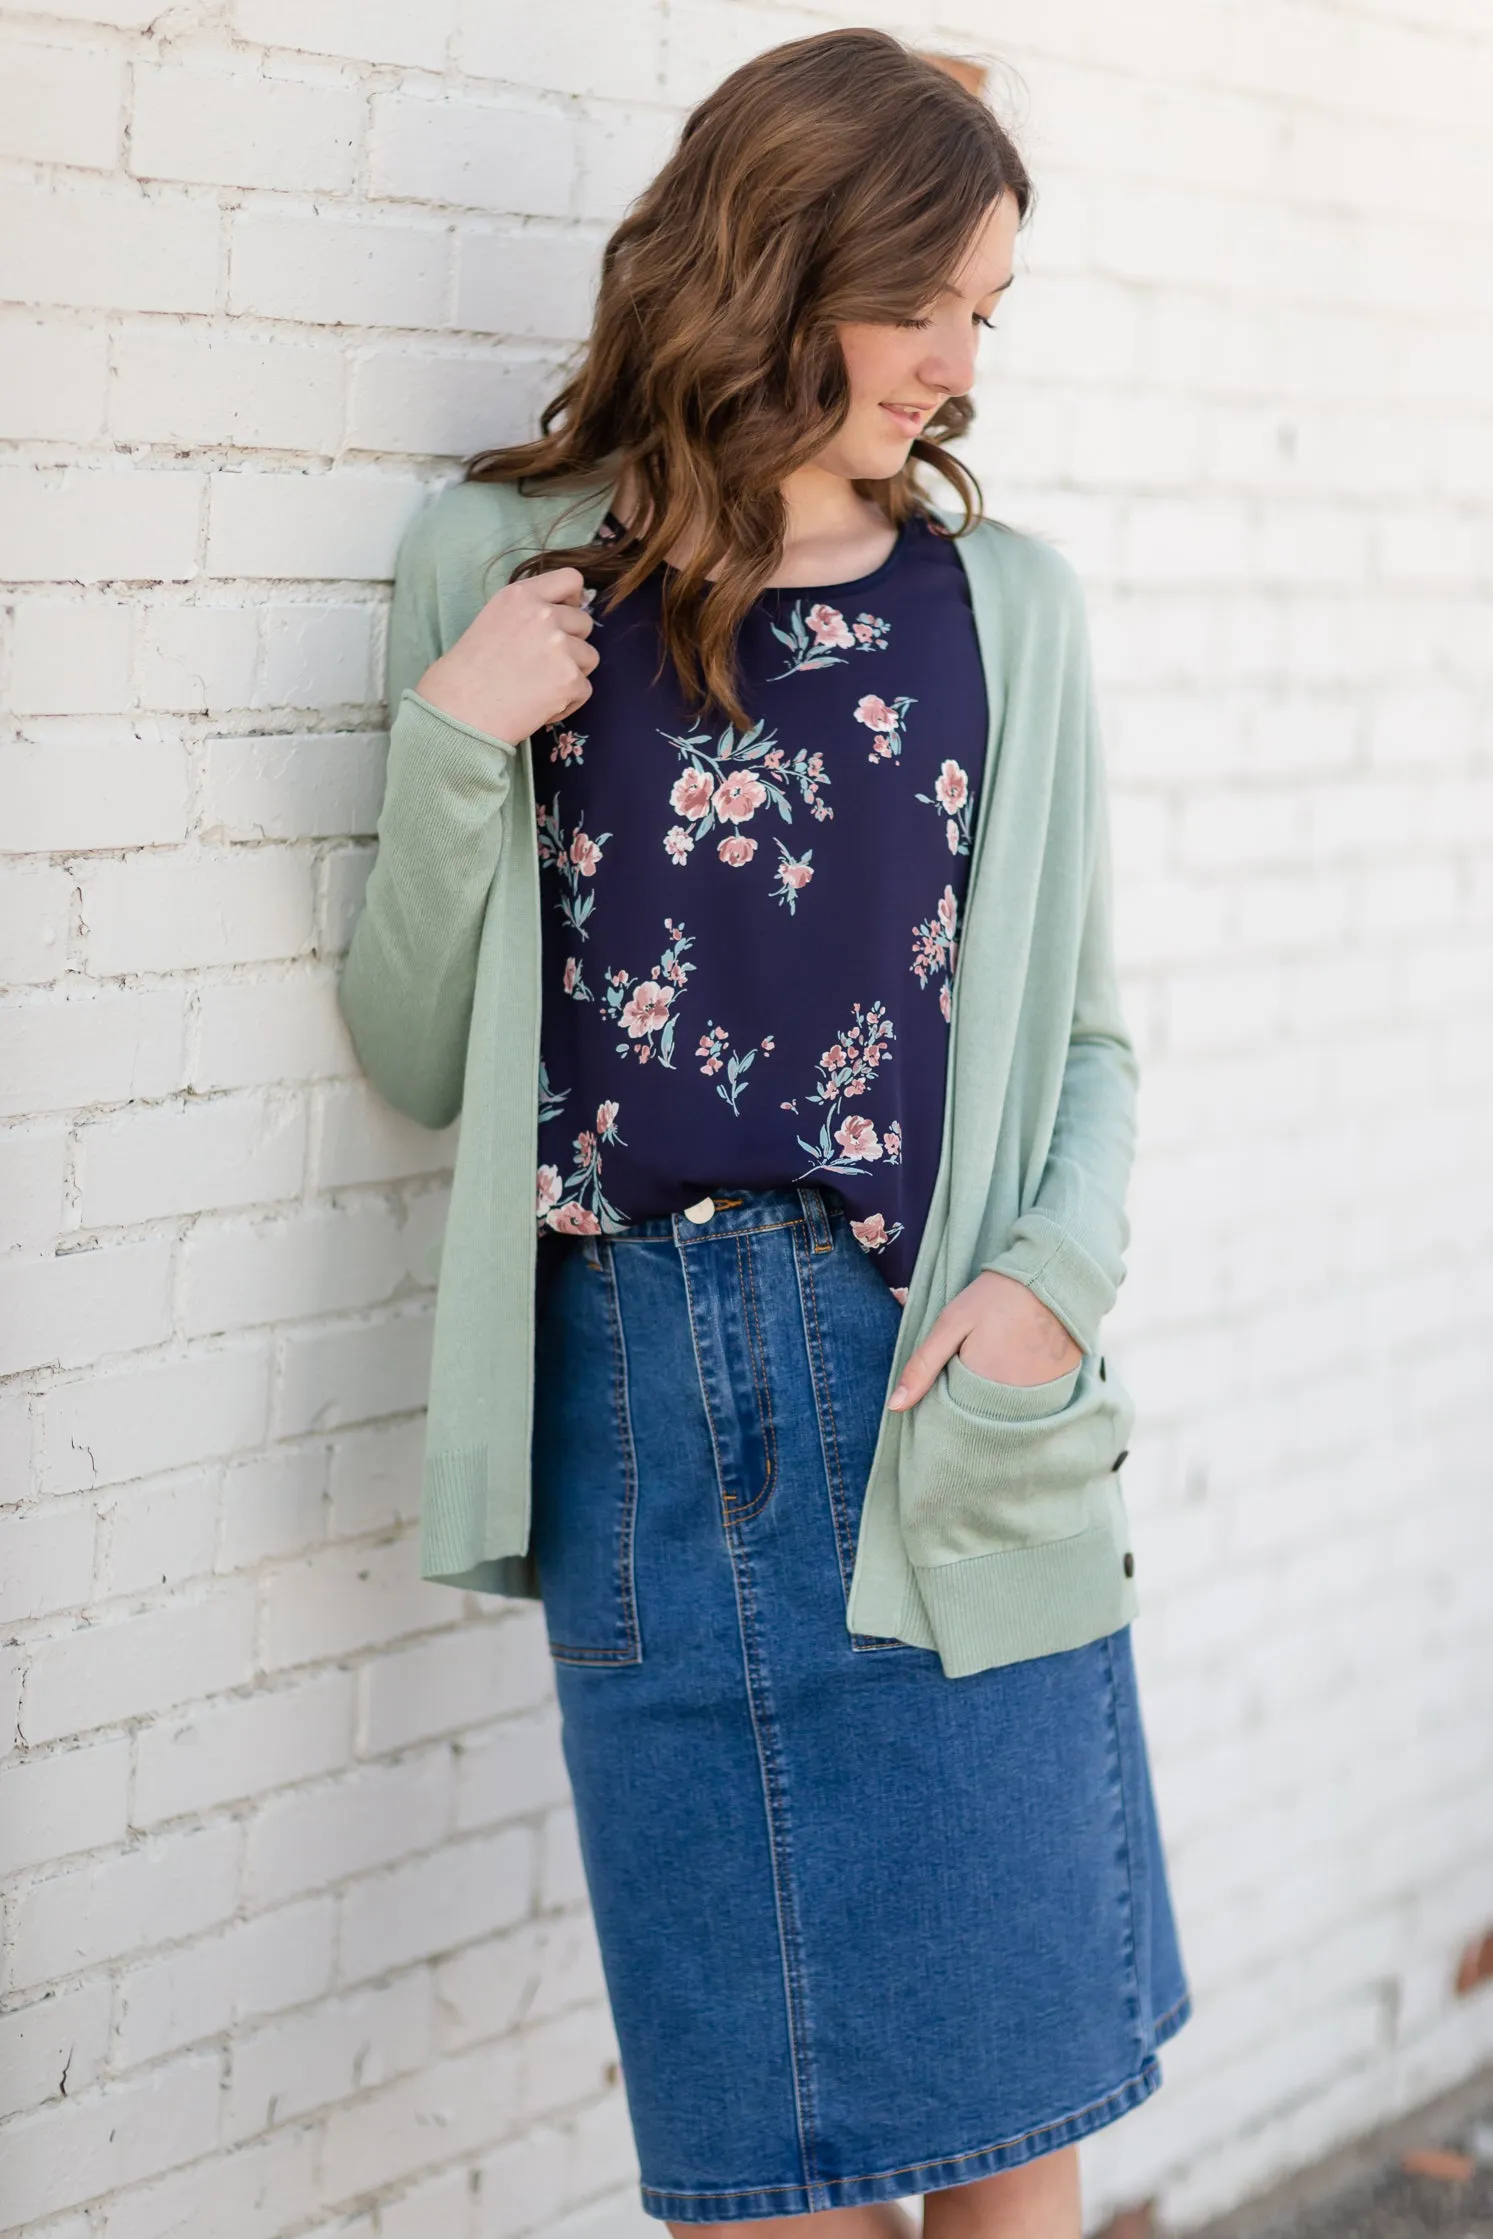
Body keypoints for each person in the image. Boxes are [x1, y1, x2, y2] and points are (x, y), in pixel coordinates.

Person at [339, 29, 1191, 2239]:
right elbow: (417, 1049)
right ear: (790, 252)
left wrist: (1038, 1294)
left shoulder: (1004, 615)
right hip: (640, 1399)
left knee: (1005, 2135)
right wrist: (458, 738)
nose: (957, 361)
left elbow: (1089, 1045)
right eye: (931, 302)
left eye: (986, 314)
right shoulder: (504, 570)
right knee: (763, 2162)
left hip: (927, 1392)